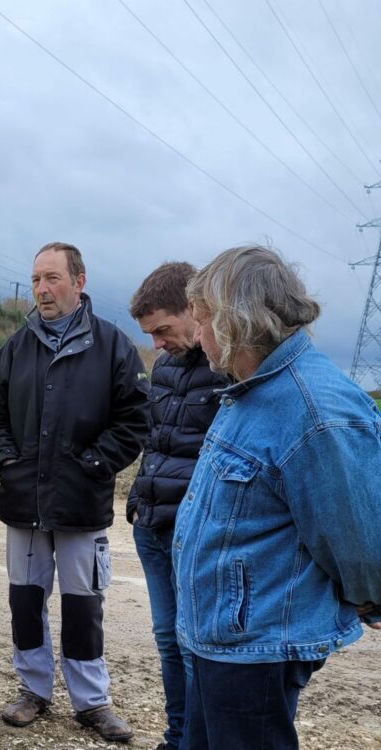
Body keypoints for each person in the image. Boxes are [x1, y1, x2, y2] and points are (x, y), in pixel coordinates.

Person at [176, 245, 381, 750]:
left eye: (202, 320)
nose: (196, 336)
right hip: (223, 636)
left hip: (258, 644)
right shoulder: (253, 389)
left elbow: (355, 534)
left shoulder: (314, 409)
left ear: (234, 321)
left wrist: (371, 600)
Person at [0, 242, 148, 743]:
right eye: (35, 279)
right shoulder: (15, 347)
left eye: (52, 278)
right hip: (24, 503)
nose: (42, 289)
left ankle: (92, 702)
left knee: (83, 606)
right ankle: (33, 691)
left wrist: (96, 462)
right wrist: (8, 459)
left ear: (79, 281)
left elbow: (136, 418)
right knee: (25, 600)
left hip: (82, 501)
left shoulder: (114, 347)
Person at [126, 262, 229, 750]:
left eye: (163, 330)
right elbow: (157, 440)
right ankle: (177, 738)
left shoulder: (228, 367)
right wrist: (138, 491)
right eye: (150, 335)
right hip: (151, 527)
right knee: (169, 641)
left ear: (194, 308)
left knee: (196, 649)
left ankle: (198, 742)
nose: (157, 343)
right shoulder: (163, 364)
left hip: (195, 535)